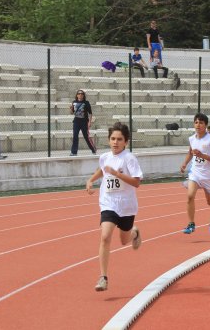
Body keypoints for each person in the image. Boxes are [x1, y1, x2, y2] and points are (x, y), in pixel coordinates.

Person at [85, 122, 143, 292]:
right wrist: (90, 180)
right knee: (105, 236)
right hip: (108, 202)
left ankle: (134, 233)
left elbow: (137, 182)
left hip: (126, 205)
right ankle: (103, 277)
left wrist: (118, 174)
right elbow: (103, 170)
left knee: (124, 240)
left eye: (119, 139)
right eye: (112, 139)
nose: (115, 142)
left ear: (126, 141)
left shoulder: (129, 158)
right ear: (108, 140)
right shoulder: (105, 157)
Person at [180, 113, 210, 234]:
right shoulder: (192, 139)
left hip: (208, 176)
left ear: (206, 125)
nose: (198, 125)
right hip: (195, 173)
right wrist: (184, 163)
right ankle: (191, 224)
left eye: (201, 122)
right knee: (190, 196)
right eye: (196, 122)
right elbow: (190, 152)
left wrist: (202, 155)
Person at [70, 89, 97, 156]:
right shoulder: (74, 102)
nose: (80, 95)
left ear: (83, 95)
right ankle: (74, 152)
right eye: (79, 94)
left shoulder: (86, 103)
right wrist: (71, 109)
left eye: (82, 94)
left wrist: (90, 122)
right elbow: (72, 113)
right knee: (75, 136)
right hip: (76, 121)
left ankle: (93, 149)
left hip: (84, 122)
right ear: (77, 95)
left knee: (86, 137)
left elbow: (90, 113)